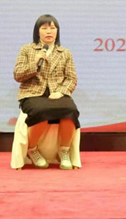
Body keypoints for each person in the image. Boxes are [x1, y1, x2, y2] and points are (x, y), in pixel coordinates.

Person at [14, 14, 79, 170]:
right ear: (37, 31)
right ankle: (32, 150)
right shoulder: (27, 50)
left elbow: (71, 78)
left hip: (57, 93)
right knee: (41, 111)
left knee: (70, 110)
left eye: (52, 28)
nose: (49, 31)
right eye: (44, 28)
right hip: (32, 93)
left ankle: (64, 151)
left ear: (57, 31)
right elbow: (18, 75)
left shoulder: (65, 53)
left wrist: (61, 92)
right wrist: (34, 63)